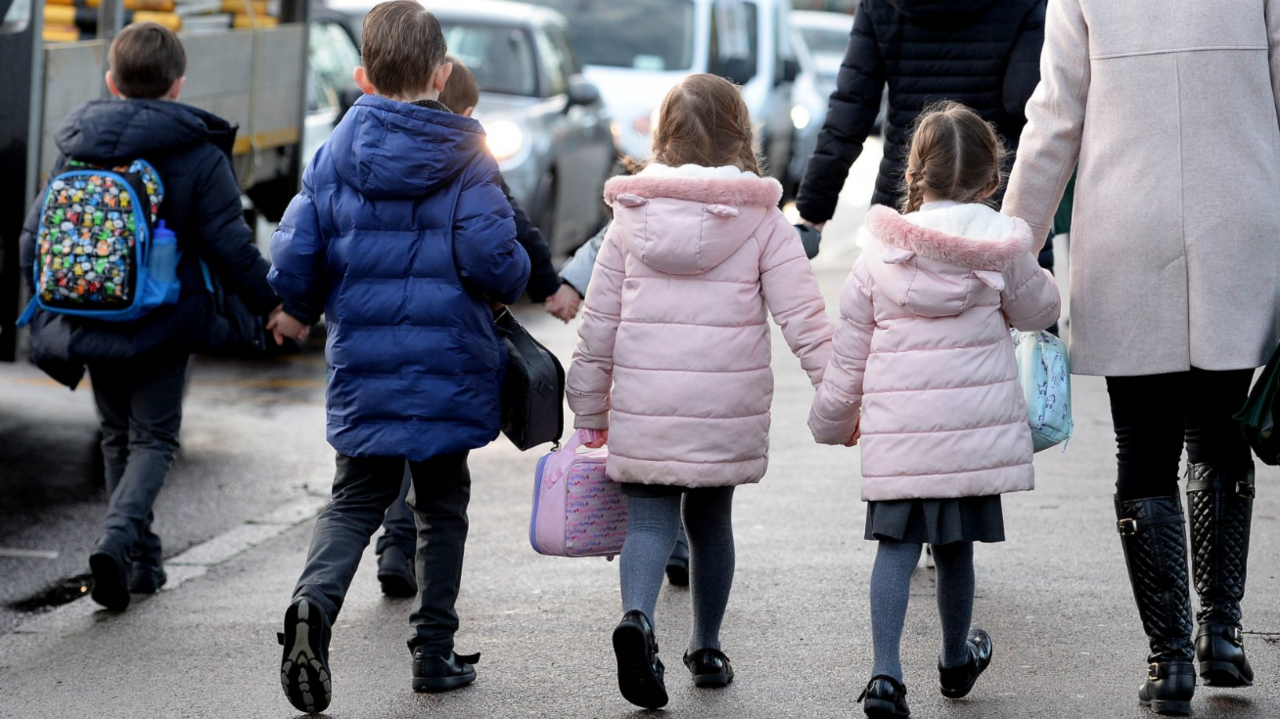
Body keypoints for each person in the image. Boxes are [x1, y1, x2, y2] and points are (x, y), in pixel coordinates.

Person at [1002, 0, 1280, 714]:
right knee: (1220, 428)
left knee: (1145, 446)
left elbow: (1055, 118)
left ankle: (1170, 659)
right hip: (1238, 214)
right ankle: (1222, 631)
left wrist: (1010, 248)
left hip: (1128, 221)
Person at [268, 2, 529, 712]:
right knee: (442, 507)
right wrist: (512, 279)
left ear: (361, 76)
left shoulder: (333, 156)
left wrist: (294, 306)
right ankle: (434, 652)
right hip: (449, 366)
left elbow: (295, 250)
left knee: (355, 497)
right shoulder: (467, 157)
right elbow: (497, 263)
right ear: (442, 75)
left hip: (365, 364)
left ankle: (312, 606)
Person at [567, 73, 834, 710]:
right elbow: (805, 319)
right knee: (711, 524)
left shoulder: (629, 218)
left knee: (650, 520)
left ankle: (638, 619)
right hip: (723, 410)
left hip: (645, 404)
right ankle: (707, 647)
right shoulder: (762, 221)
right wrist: (840, 393)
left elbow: (598, 324)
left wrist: (588, 406)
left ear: (661, 137)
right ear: (740, 137)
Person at [17, 22, 293, 612]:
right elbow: (229, 244)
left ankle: (142, 563)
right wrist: (274, 306)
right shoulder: (195, 150)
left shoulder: (77, 142)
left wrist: (48, 299)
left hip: (87, 310)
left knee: (119, 435)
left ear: (112, 82)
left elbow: (33, 236)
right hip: (164, 318)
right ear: (177, 85)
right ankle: (118, 543)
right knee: (155, 438)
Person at [808, 103, 1060, 719]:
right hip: (972, 439)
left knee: (894, 548)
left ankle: (885, 676)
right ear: (992, 178)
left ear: (913, 174)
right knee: (955, 549)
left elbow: (848, 359)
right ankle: (953, 659)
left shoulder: (877, 258)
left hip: (900, 439)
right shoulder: (1002, 248)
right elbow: (1040, 313)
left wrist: (833, 423)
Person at [371, 55, 563, 598]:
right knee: (439, 472)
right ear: (468, 110)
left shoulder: (371, 147)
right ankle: (431, 633)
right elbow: (509, 235)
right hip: (448, 334)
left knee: (391, 447)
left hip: (378, 334)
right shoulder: (470, 157)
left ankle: (392, 542)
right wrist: (544, 283)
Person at [795, 0, 1054, 276]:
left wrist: (812, 215)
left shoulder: (880, 5)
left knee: (888, 305)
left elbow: (850, 110)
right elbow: (1025, 102)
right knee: (1018, 306)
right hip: (994, 201)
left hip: (908, 197)